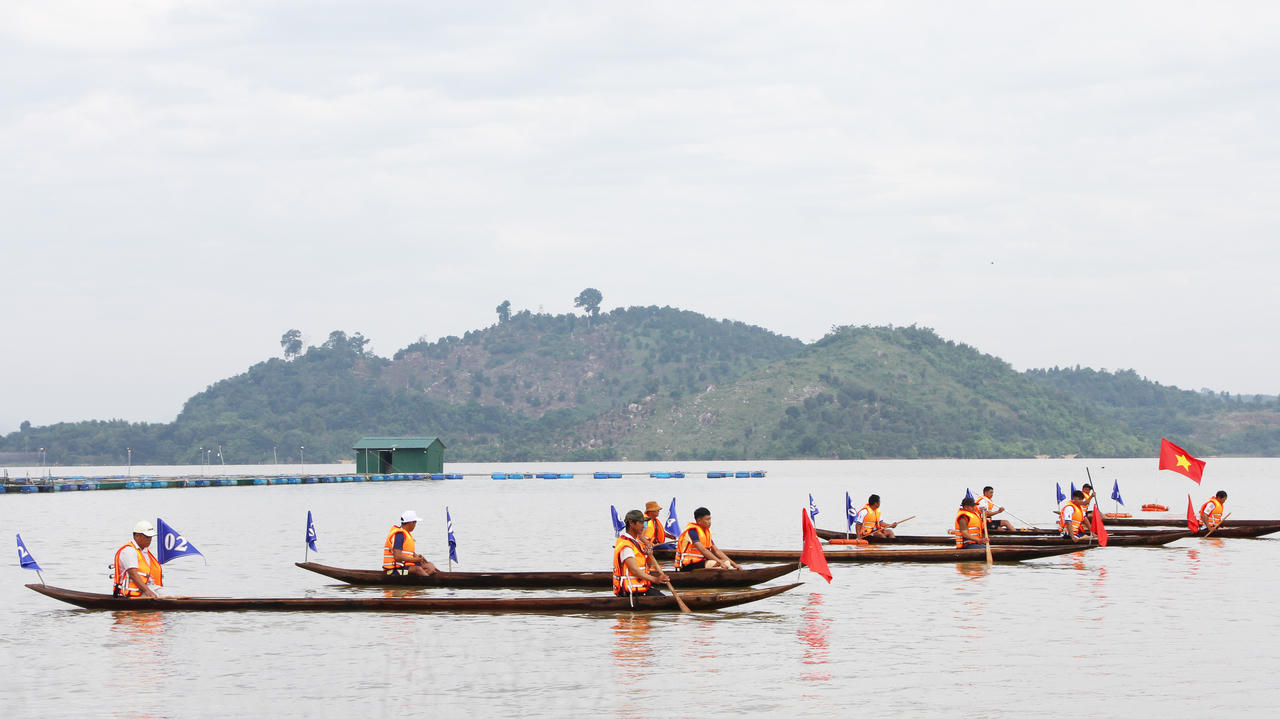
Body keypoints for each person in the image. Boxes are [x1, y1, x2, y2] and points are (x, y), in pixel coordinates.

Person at [613, 509, 670, 597]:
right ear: (631, 523)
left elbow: (647, 566)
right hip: (631, 592)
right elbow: (634, 570)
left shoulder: (636, 543)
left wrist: (649, 555)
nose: (643, 526)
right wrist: (655, 579)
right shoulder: (626, 545)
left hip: (641, 588)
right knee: (666, 602)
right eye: (640, 523)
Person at [675, 507, 741, 571]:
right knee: (720, 565)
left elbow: (717, 551)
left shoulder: (706, 533)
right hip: (688, 565)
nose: (709, 522)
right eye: (707, 519)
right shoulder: (692, 531)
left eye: (710, 519)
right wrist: (719, 562)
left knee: (726, 563)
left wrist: (735, 565)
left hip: (701, 562)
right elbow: (703, 550)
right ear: (699, 521)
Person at [112, 520, 163, 599]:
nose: (149, 539)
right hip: (133, 593)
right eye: (147, 537)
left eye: (151, 537)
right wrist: (147, 591)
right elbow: (133, 574)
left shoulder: (145, 551)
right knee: (164, 599)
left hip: (148, 587)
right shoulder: (129, 550)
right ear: (137, 536)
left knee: (171, 596)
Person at [383, 510, 439, 576]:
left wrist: (420, 558)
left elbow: (410, 554)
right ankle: (428, 583)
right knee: (418, 570)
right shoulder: (399, 535)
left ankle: (423, 579)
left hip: (406, 566)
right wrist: (415, 560)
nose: (415, 525)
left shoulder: (407, 534)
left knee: (430, 566)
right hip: (394, 571)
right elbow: (397, 557)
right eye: (415, 522)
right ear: (410, 522)